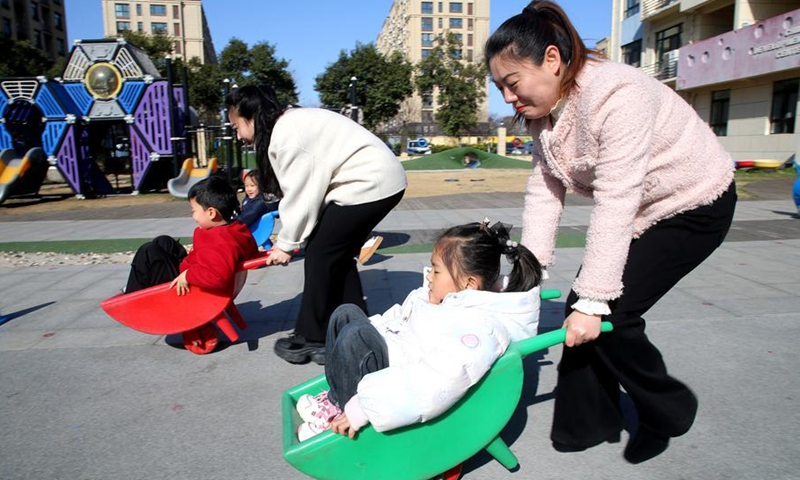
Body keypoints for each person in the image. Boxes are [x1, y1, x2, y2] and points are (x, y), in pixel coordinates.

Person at [485, 1, 737, 464]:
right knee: (581, 311)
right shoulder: (547, 115)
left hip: (697, 203)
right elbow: (544, 193)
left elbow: (616, 197)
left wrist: (596, 297)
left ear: (553, 60)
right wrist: (526, 277)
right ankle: (585, 427)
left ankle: (669, 411)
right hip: (646, 209)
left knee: (608, 315)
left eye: (511, 83)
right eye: (499, 87)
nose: (506, 97)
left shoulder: (618, 93)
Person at [293, 221, 543, 441]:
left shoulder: (477, 328)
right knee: (345, 314)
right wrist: (373, 330)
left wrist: (362, 408)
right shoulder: (436, 298)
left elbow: (436, 380)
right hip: (392, 355)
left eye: (436, 270)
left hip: (391, 383)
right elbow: (399, 317)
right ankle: (337, 396)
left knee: (354, 336)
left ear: (468, 284)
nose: (430, 277)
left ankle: (340, 410)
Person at [224, 85, 407, 365]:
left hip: (371, 183)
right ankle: (352, 326)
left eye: (236, 126)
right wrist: (293, 238)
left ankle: (314, 337)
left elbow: (303, 195)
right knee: (335, 252)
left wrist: (287, 244)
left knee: (322, 253)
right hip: (369, 181)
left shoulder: (287, 136)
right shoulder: (285, 126)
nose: (237, 135)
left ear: (251, 116)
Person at [124, 176, 259, 296]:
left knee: (148, 251)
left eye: (194, 211)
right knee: (164, 241)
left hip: (190, 288)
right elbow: (251, 252)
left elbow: (217, 276)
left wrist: (187, 275)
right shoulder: (235, 228)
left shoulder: (218, 239)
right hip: (194, 272)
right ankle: (137, 286)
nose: (193, 216)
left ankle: (131, 296)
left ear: (211, 213)